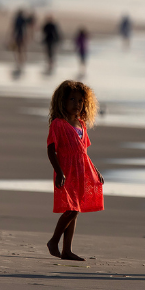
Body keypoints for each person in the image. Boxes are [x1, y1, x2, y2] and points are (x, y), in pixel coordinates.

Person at [46, 80, 104, 261]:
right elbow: (50, 149)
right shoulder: (58, 124)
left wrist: (95, 171)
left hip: (81, 171)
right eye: (72, 99)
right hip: (66, 170)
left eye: (80, 101)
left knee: (75, 209)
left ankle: (67, 250)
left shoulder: (81, 124)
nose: (76, 104)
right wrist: (59, 171)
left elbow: (84, 152)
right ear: (62, 101)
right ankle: (54, 241)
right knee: (71, 209)